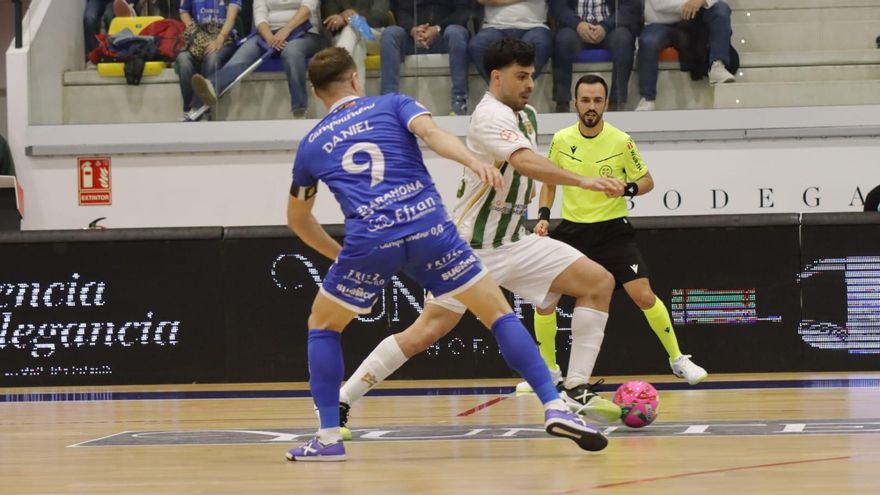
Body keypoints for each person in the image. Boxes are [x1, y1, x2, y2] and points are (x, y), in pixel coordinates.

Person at [284, 47, 609, 461]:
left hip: (370, 241)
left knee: (323, 326)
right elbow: (435, 136)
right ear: (354, 80)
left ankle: (329, 436)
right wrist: (474, 161)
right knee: (498, 314)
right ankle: (554, 404)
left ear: (315, 93)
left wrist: (339, 256)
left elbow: (298, 218)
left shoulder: (312, 144)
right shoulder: (394, 103)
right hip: (431, 228)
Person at [527, 74, 708, 392]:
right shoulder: (560, 139)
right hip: (572, 231)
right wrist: (543, 216)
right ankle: (548, 373)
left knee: (645, 296)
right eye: (585, 100)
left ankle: (678, 359)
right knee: (545, 302)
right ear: (575, 103)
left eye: (597, 101)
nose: (591, 106)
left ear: (606, 104)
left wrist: (626, 188)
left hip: (613, 232)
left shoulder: (621, 140)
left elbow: (648, 181)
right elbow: (549, 182)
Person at [191, 0, 327, 118]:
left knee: (291, 53)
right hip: (267, 34)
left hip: (304, 33)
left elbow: (308, 9)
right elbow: (260, 15)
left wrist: (286, 30)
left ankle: (300, 109)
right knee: (242, 56)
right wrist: (269, 37)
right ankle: (211, 87)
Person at [636, 0, 736, 111]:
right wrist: (690, 4)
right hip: (661, 22)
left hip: (693, 19)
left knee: (721, 8)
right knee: (648, 41)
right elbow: (658, 4)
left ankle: (718, 65)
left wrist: (700, 1)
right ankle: (647, 98)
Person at [380, 0, 472, 115]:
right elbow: (400, 10)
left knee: (456, 32)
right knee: (390, 34)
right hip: (412, 37)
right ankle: (388, 102)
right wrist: (413, 29)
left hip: (444, 36)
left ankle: (459, 102)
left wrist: (437, 29)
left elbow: (463, 11)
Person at [548, 0, 642, 113]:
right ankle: (562, 102)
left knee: (623, 40)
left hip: (610, 27)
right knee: (563, 40)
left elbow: (630, 7)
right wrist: (578, 24)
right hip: (575, 28)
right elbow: (558, 6)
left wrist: (605, 26)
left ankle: (616, 101)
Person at [176, 0, 241, 117]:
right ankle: (188, 109)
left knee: (212, 57)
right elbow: (184, 11)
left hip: (224, 38)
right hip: (199, 35)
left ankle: (202, 109)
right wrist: (195, 32)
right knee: (183, 59)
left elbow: (231, 18)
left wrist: (220, 39)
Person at [469, 1, 552, 84]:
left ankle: (522, 87)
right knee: (477, 45)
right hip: (495, 26)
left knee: (541, 43)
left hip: (535, 26)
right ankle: (498, 88)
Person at [322, 0, 389, 92]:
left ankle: (337, 68)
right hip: (348, 38)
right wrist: (345, 17)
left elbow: (379, 18)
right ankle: (358, 98)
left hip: (374, 35)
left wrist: (352, 19)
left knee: (352, 29)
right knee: (356, 44)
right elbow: (329, 17)